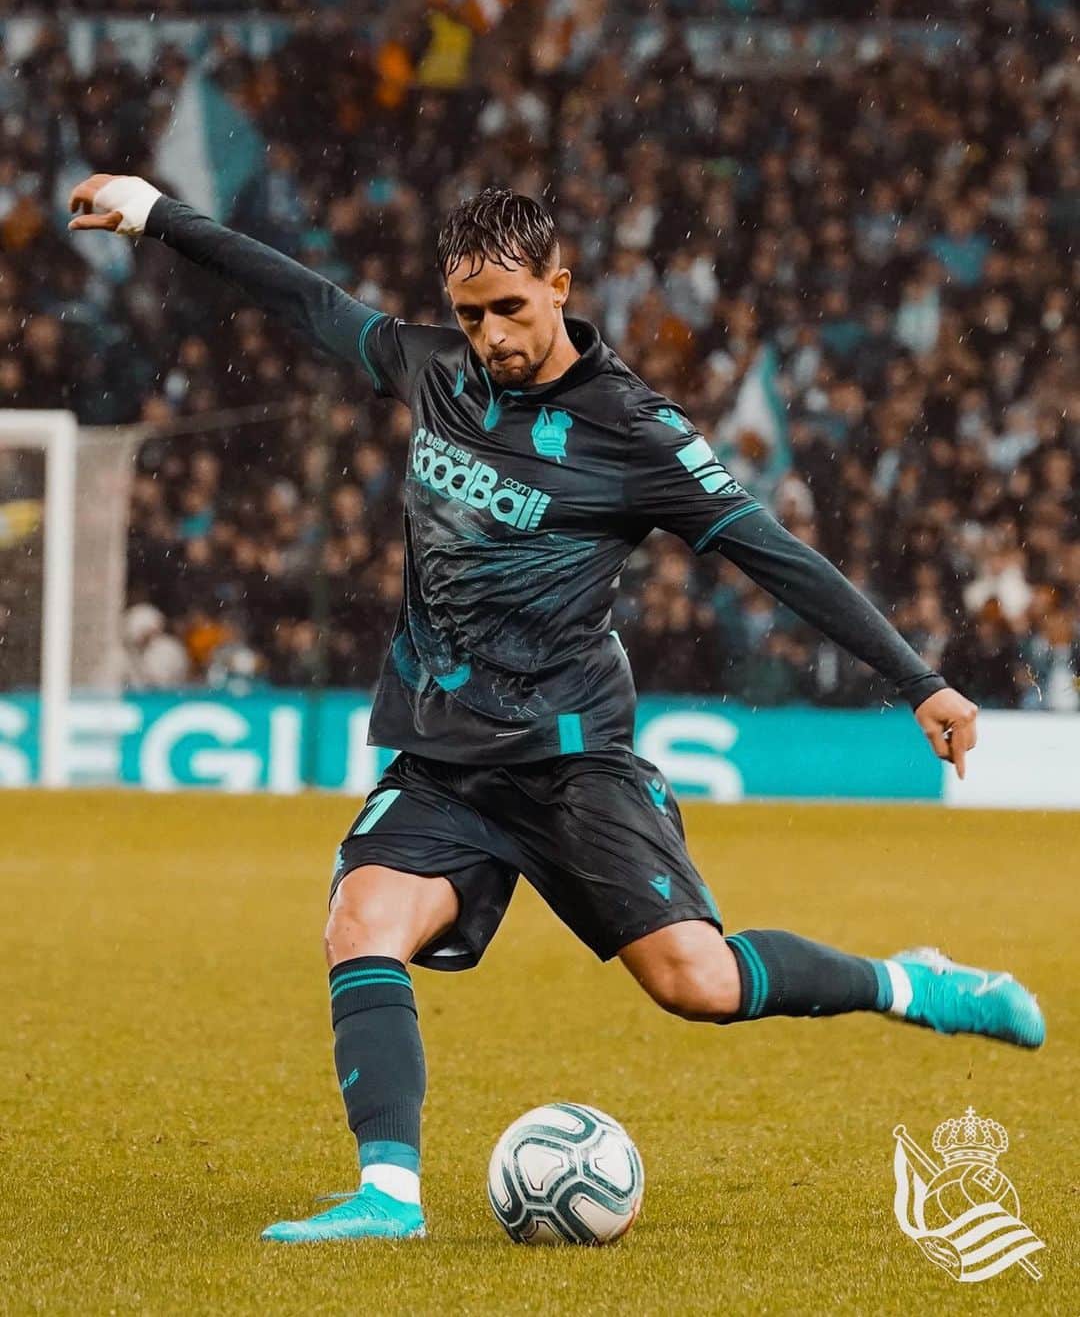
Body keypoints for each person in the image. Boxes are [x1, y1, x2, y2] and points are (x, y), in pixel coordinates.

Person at [69, 175, 1045, 1244]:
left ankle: (909, 984)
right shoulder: (430, 370)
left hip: (574, 764)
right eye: (470, 314)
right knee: (360, 922)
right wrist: (157, 214)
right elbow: (301, 295)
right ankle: (389, 1195)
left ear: (560, 286)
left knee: (699, 982)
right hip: (445, 761)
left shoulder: (635, 430)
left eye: (510, 308)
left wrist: (919, 680)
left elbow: (776, 555)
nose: (490, 334)